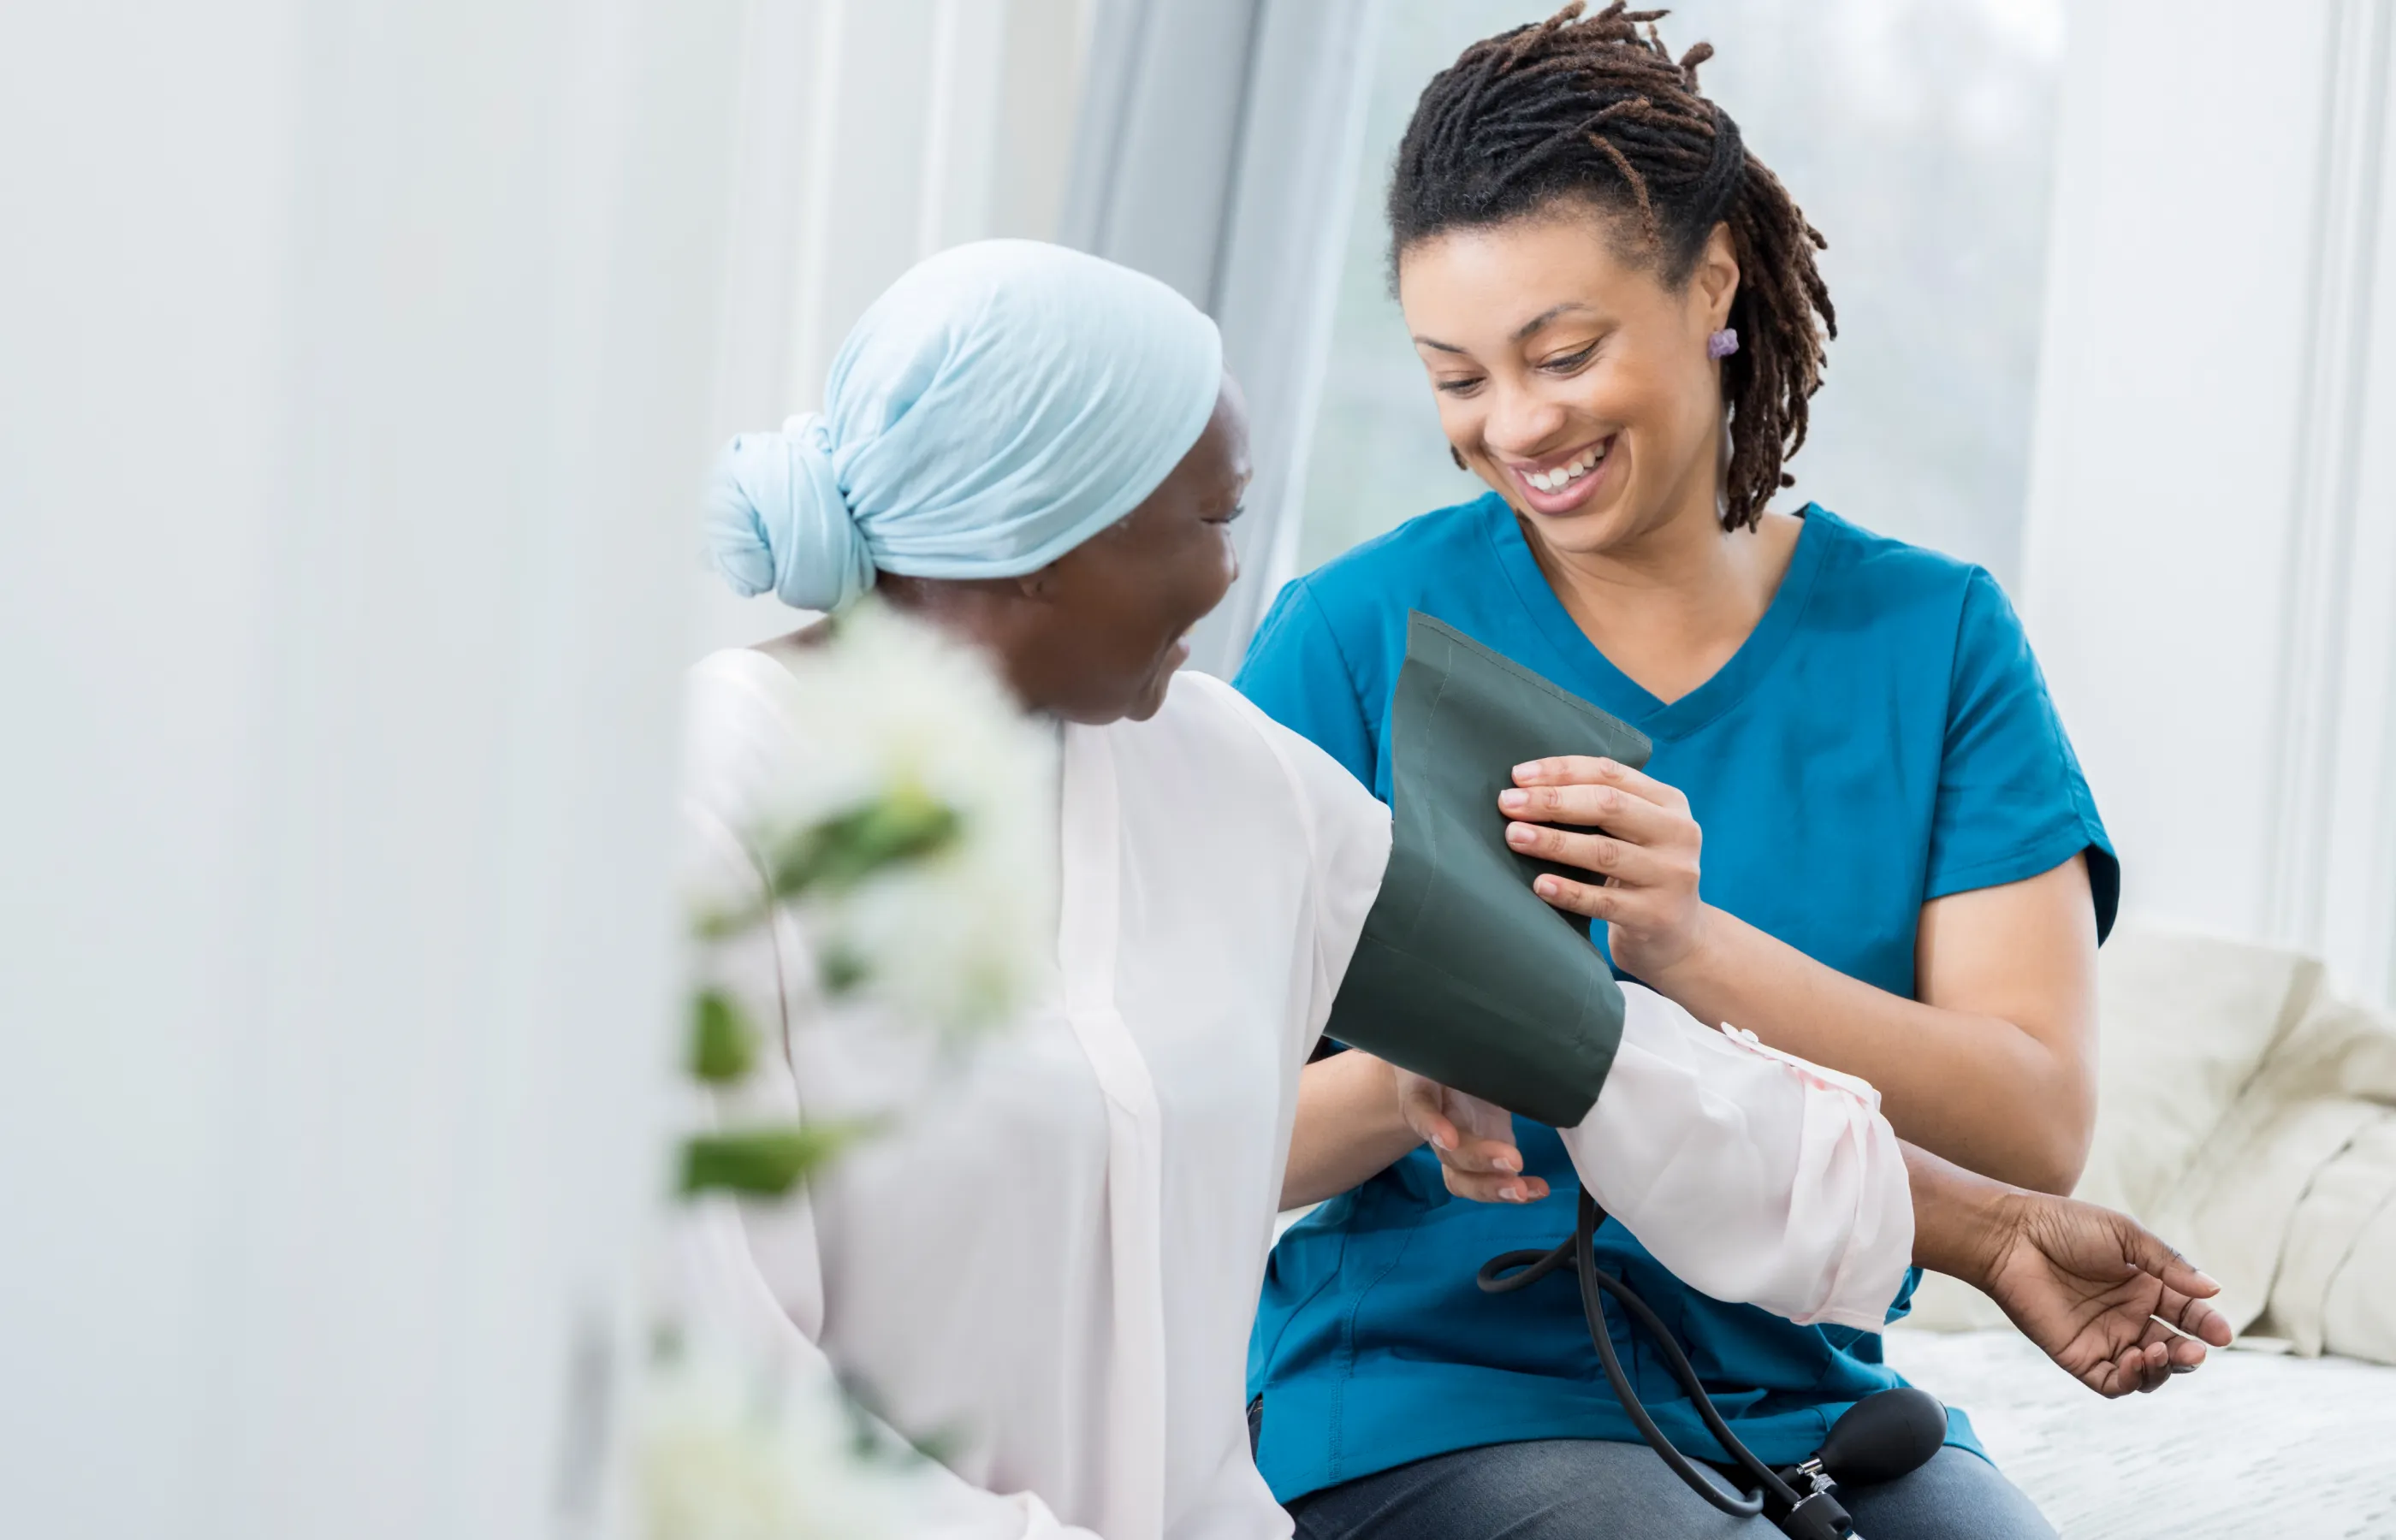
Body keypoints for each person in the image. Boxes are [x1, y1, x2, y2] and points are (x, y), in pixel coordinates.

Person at [683, 239, 2224, 1540]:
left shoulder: (1227, 782)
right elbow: (722, 1392)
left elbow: (1612, 1059)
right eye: (1207, 523)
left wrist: (1988, 1235)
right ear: (1037, 538)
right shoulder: (708, 819)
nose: (1234, 578)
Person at [1239, 8, 2139, 1538]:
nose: (1517, 425)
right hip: (1429, 1395)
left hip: (1810, 1405)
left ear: (1712, 281)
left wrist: (1683, 944)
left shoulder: (1937, 642)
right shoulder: (1347, 639)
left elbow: (2033, 1122)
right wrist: (1422, 1069)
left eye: (1565, 352)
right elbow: (1188, 1118)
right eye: (1458, 377)